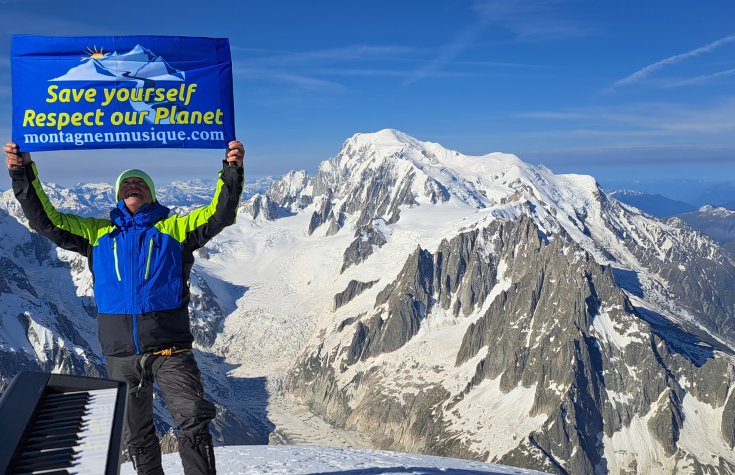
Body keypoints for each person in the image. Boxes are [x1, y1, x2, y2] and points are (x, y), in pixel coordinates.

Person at [4, 140, 245, 475]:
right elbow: (47, 221)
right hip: (120, 354)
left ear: (152, 195)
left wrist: (231, 169)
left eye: (140, 182)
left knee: (191, 421)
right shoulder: (97, 233)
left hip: (170, 350)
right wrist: (22, 171)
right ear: (118, 196)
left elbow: (220, 214)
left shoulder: (173, 229)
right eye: (127, 184)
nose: (133, 185)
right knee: (137, 435)